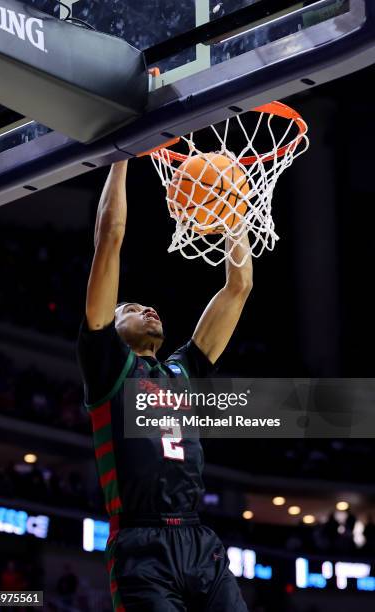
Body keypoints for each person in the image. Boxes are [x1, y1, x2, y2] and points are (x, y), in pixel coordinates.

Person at [77, 161, 252, 611]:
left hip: (198, 539)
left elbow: (239, 286)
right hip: (140, 543)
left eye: (147, 305)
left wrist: (234, 210)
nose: (147, 308)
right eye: (130, 307)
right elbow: (109, 240)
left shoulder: (183, 370)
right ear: (109, 326)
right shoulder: (109, 365)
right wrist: (122, 157)